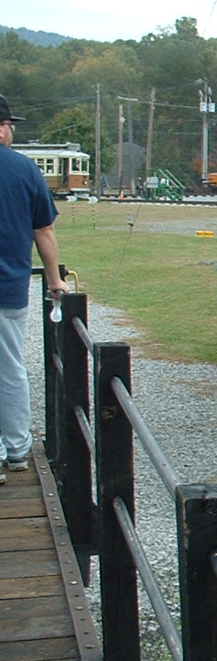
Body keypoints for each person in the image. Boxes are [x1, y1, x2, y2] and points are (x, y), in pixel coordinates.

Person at [0, 96, 70, 485]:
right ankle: (16, 450)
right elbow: (43, 229)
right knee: (10, 370)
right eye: (10, 123)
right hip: (8, 288)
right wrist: (55, 279)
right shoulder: (25, 170)